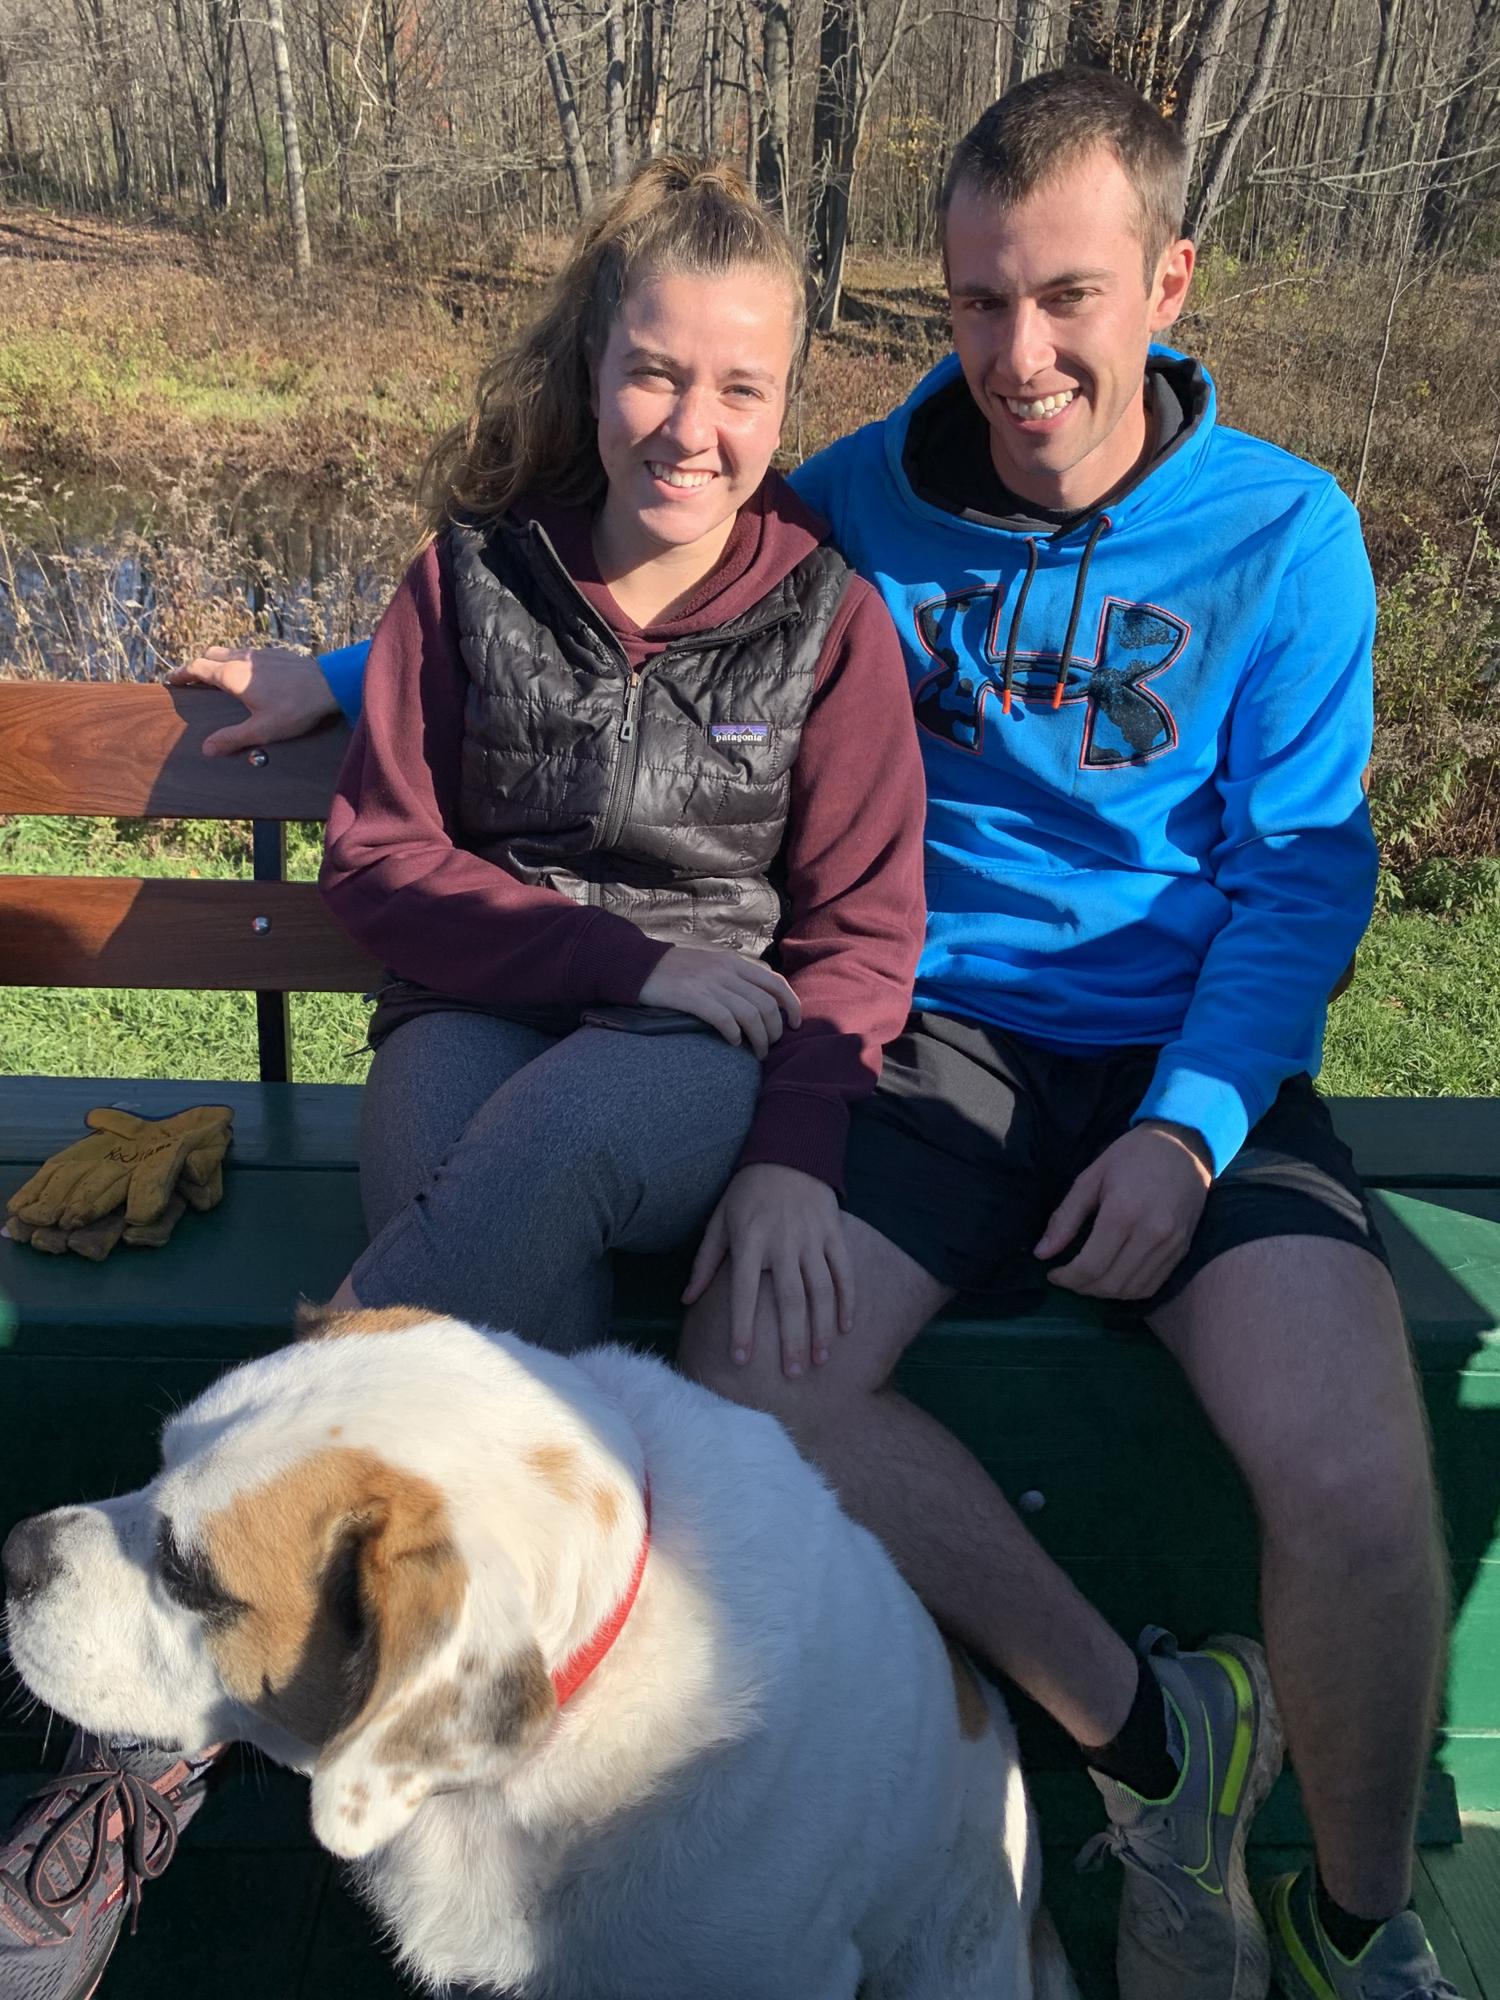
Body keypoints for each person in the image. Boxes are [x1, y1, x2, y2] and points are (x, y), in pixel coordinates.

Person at [124, 70, 1449, 2000]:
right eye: (978, 299)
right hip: (933, 1043)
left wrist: (1187, 1133)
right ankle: (1155, 1747)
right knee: (755, 1378)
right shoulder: (867, 492)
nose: (1019, 355)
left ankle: (1356, 1922)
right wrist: (335, 669)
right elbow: (632, 569)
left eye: (1068, 297)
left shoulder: (1289, 537)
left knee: (1358, 1481)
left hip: (1191, 1064)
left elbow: (1301, 882)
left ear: (1170, 283)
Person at [0, 156, 926, 1999]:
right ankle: (538, 1829)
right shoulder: (471, 576)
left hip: (695, 1062)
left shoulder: (830, 620)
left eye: (742, 388)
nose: (693, 426)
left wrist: (798, 1154)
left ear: (786, 405)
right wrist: (616, 955)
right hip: (479, 1016)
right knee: (476, 1199)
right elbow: (382, 864)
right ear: (595, 364)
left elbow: (860, 932)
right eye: (656, 371)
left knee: (539, 1155)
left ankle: (159, 1727)